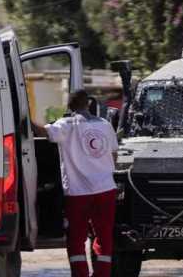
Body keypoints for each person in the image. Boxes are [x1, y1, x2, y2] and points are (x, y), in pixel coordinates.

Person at [32, 89, 119, 277]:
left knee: (76, 238)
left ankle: (80, 274)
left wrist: (25, 118)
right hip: (106, 189)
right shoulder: (105, 125)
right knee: (104, 237)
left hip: (78, 193)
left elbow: (43, 132)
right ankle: (103, 274)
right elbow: (113, 155)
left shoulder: (66, 125)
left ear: (69, 106)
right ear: (88, 104)